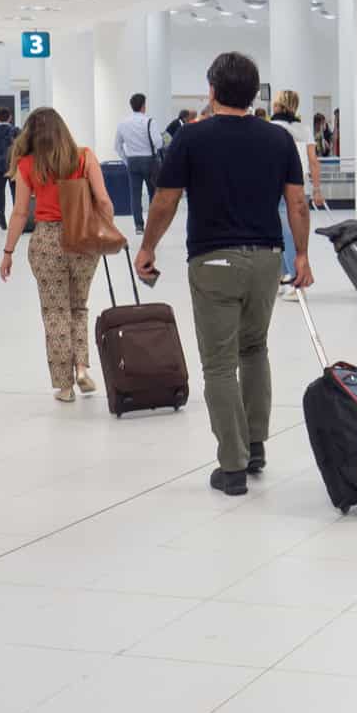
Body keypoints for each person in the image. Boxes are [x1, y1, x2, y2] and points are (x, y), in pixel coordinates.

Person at [140, 53, 311, 494]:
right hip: (267, 259)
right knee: (255, 349)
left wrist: (147, 247)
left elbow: (165, 200)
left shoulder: (192, 139)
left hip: (214, 261)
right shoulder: (278, 139)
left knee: (218, 364)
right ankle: (255, 446)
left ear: (212, 89)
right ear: (254, 93)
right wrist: (303, 256)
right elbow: (296, 203)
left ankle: (232, 466)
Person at [2, 108, 112, 403]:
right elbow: (102, 199)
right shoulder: (85, 156)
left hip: (47, 240)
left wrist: (8, 251)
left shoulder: (27, 164)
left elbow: (20, 212)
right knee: (79, 307)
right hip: (83, 239)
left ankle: (64, 387)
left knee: (55, 312)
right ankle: (81, 369)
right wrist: (107, 230)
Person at [269, 91, 321, 288]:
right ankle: (284, 275)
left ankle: (292, 276)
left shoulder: (272, 127)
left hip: (279, 186)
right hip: (301, 185)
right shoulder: (304, 129)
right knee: (292, 231)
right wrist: (317, 189)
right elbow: (314, 162)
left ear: (277, 105)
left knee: (284, 234)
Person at [112, 92, 160, 234]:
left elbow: (117, 146)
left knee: (135, 194)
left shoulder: (123, 123)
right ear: (143, 106)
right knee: (153, 193)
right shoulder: (149, 121)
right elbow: (158, 142)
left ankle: (139, 226)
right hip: (149, 161)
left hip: (132, 161)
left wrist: (127, 160)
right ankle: (152, 225)